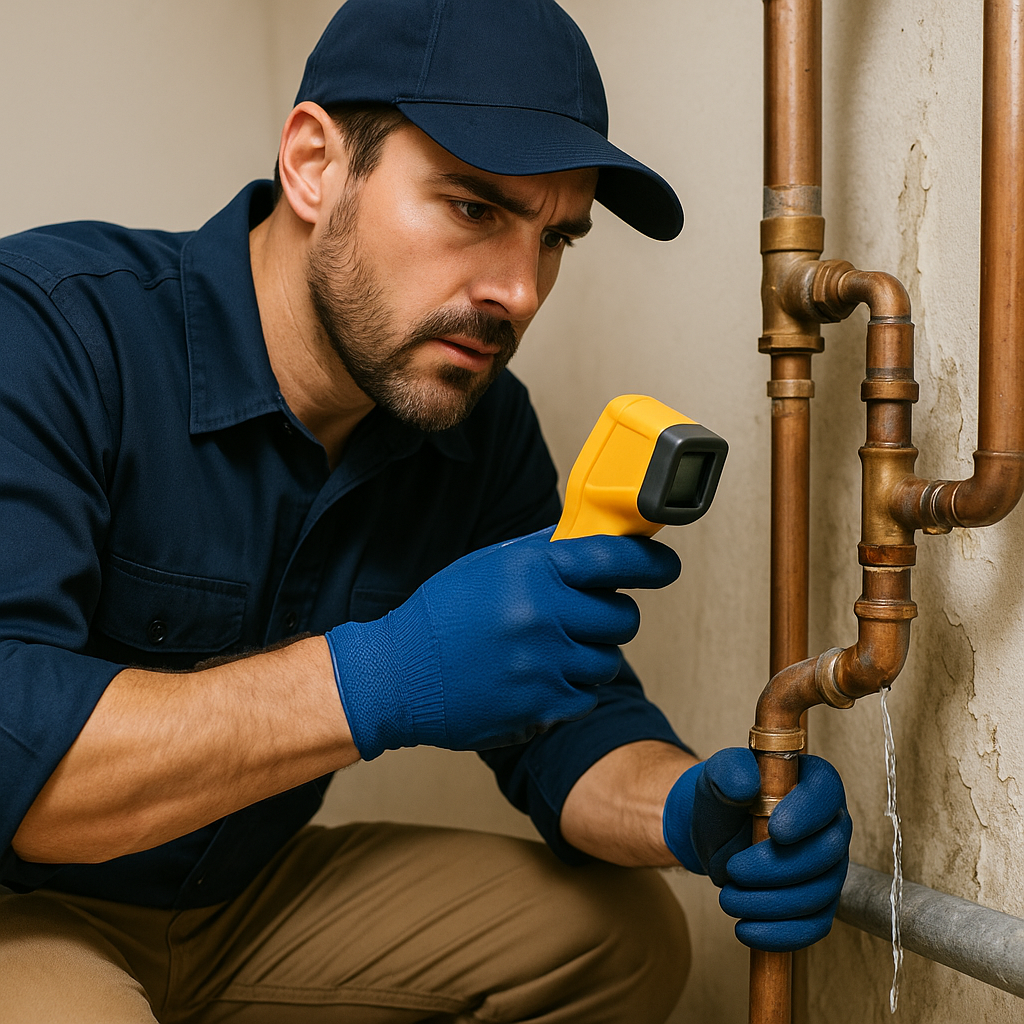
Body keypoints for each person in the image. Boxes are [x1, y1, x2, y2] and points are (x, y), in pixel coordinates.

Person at [0, 1, 852, 1021]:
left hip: (230, 903)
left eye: (554, 237)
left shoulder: (476, 427)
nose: (519, 291)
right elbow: (20, 759)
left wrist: (691, 810)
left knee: (616, 939)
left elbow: (570, 722)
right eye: (472, 208)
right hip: (25, 904)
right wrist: (382, 676)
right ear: (314, 165)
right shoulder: (49, 336)